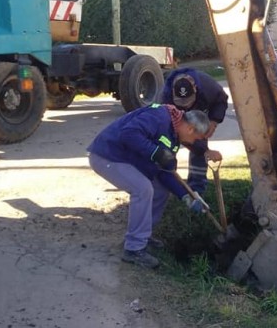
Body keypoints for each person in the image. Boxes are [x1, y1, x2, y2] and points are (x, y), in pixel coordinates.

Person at [87, 104, 210, 269]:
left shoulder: (174, 134)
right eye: (196, 138)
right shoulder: (160, 117)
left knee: (160, 189)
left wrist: (187, 196)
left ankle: (143, 235)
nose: (193, 143)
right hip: (107, 156)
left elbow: (165, 172)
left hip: (125, 159)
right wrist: (157, 153)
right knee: (142, 189)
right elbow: (128, 134)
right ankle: (133, 249)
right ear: (190, 129)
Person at [160, 68, 229, 195]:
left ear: (196, 90)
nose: (185, 106)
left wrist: (214, 121)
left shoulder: (208, 86)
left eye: (188, 102)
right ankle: (171, 186)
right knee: (169, 147)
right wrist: (205, 150)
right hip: (173, 119)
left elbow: (221, 100)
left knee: (199, 141)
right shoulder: (166, 97)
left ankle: (197, 189)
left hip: (200, 112)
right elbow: (176, 132)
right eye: (181, 103)